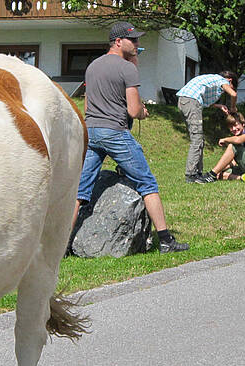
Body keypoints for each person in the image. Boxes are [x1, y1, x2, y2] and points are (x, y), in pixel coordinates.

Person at [73, 21, 189, 254]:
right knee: (148, 183)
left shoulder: (93, 66)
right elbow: (133, 110)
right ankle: (165, 240)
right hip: (115, 132)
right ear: (118, 41)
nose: (137, 43)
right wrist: (143, 113)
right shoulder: (127, 69)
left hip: (92, 130)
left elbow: (87, 103)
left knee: (81, 192)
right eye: (133, 40)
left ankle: (62, 242)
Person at [176, 71, 238, 184]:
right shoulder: (222, 80)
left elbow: (203, 101)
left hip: (184, 101)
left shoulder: (212, 80)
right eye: (231, 86)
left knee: (199, 139)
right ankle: (191, 174)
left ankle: (198, 172)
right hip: (191, 101)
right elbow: (233, 94)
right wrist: (233, 108)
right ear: (230, 80)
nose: (227, 91)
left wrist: (219, 106)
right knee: (197, 140)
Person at [202, 112, 245, 183]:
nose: (234, 128)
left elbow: (238, 140)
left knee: (233, 146)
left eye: (236, 125)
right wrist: (220, 169)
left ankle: (211, 174)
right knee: (222, 173)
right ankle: (243, 178)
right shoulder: (238, 140)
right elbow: (233, 162)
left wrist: (225, 139)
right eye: (231, 127)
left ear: (243, 124)